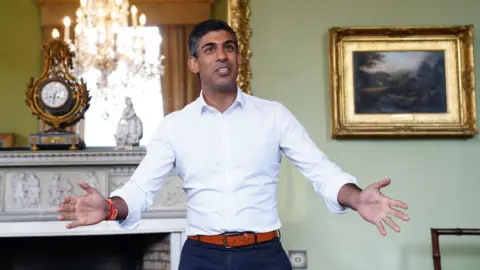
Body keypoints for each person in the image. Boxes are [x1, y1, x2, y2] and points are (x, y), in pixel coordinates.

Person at [57, 19, 409, 269]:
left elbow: (322, 172)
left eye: (229, 48)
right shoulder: (175, 126)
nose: (222, 55)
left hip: (265, 255)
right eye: (210, 49)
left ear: (238, 58)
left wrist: (357, 196)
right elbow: (140, 189)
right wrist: (111, 208)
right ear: (195, 63)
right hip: (201, 257)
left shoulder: (274, 116)